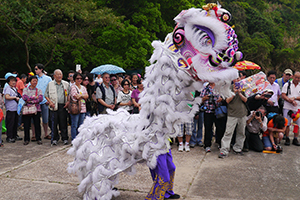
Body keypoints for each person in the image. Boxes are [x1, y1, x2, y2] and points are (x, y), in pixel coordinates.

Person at [219, 78, 248, 158]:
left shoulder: (243, 88)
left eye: (239, 78)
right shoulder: (228, 88)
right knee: (228, 132)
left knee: (241, 133)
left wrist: (240, 93)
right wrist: (234, 93)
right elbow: (227, 101)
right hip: (232, 114)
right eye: (236, 78)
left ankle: (238, 149)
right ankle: (224, 150)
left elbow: (246, 100)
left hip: (242, 114)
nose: (238, 80)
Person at [45, 69, 70, 145]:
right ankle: (55, 138)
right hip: (54, 105)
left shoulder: (66, 84)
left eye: (60, 74)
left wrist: (68, 102)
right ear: (54, 76)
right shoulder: (50, 84)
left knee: (63, 122)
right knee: (53, 122)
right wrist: (50, 103)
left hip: (63, 105)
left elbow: (69, 94)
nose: (59, 76)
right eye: (57, 74)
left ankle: (64, 138)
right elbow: (46, 95)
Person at [200, 82, 226, 152]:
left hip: (218, 111)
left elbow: (225, 97)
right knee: (208, 128)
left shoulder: (220, 87)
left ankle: (220, 144)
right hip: (208, 111)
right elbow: (200, 100)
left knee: (220, 128)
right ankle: (207, 145)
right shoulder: (205, 88)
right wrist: (205, 98)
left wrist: (221, 99)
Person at [22, 76, 43, 145]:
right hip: (27, 110)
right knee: (26, 125)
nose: (35, 82)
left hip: (36, 109)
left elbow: (40, 98)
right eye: (33, 81)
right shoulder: (25, 89)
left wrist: (30, 101)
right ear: (30, 82)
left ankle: (38, 138)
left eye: (36, 81)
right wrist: (34, 98)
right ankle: (26, 139)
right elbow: (24, 97)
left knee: (37, 124)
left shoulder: (39, 90)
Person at [281, 71, 300, 146]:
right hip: (287, 107)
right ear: (292, 77)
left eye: (299, 78)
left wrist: (295, 98)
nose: (297, 79)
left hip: (298, 107)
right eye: (296, 77)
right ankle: (287, 137)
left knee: (297, 124)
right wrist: (290, 100)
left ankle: (295, 138)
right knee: (287, 124)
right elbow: (283, 95)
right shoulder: (287, 85)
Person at [34, 63, 52, 140]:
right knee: (34, 119)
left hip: (45, 101)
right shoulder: (34, 78)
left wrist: (49, 100)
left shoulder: (48, 78)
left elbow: (50, 90)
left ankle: (46, 133)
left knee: (45, 118)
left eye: (36, 69)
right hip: (35, 102)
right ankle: (34, 135)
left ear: (41, 69)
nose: (35, 70)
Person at [69, 72, 88, 140]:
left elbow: (87, 96)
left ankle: (80, 139)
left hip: (83, 107)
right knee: (74, 125)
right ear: (74, 79)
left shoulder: (83, 87)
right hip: (75, 108)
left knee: (81, 125)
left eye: (80, 78)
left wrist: (81, 96)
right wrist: (83, 96)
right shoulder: (73, 87)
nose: (79, 80)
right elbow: (75, 96)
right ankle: (74, 138)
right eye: (77, 78)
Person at [3, 75, 20, 143]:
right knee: (10, 123)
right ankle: (9, 137)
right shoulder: (8, 88)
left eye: (14, 81)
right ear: (9, 82)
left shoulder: (14, 88)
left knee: (15, 122)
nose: (13, 82)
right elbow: (7, 97)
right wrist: (15, 97)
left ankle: (14, 135)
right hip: (10, 108)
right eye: (12, 81)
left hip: (15, 108)